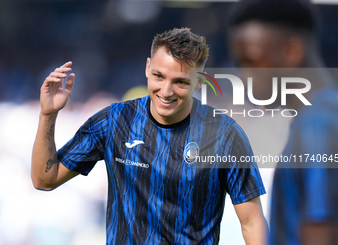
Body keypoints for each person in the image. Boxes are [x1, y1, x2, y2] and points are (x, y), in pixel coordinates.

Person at [31, 27, 268, 244]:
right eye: (159, 76)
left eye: (180, 82)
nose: (166, 91)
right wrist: (48, 114)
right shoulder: (113, 121)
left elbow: (252, 222)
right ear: (147, 68)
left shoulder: (224, 135)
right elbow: (45, 180)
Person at [228, 0, 338, 244]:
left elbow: (320, 232)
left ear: (292, 51)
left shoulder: (316, 125)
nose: (244, 77)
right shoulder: (321, 117)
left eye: (251, 61)